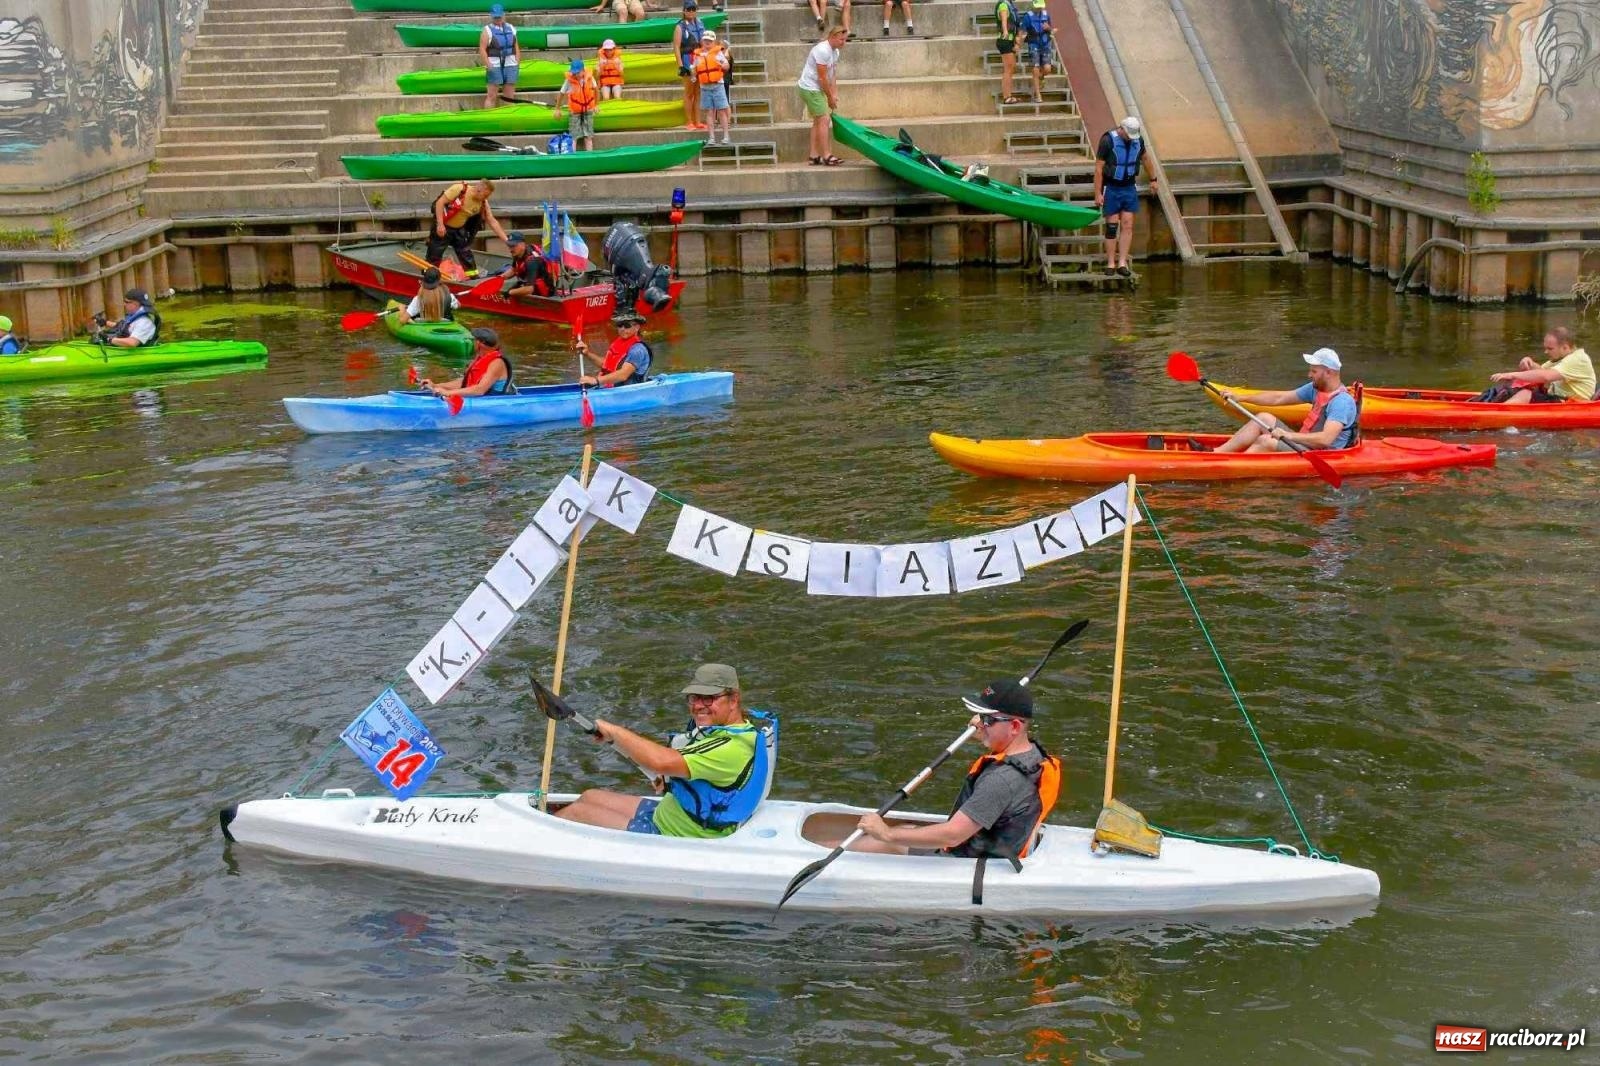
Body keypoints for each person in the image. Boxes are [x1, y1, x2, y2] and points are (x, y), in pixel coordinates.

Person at [852, 678, 1061, 862]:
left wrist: (886, 833)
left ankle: (827, 856)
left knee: (891, 841)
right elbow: (1005, 739)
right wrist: (988, 732)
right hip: (988, 845)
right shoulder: (1031, 755)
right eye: (980, 716)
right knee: (904, 830)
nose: (979, 723)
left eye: (987, 719)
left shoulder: (1001, 780)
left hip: (964, 862)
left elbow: (953, 835)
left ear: (1015, 727)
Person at [554, 664, 774, 839]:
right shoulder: (735, 730)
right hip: (670, 815)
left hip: (680, 834)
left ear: (733, 699)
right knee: (589, 796)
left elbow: (660, 761)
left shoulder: (731, 748)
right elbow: (697, 773)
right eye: (694, 697)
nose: (698, 705)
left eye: (709, 698)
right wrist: (670, 781)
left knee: (576, 814)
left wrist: (614, 730)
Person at [1215, 347, 1358, 453]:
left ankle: (1231, 465)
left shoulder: (1341, 402)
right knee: (1264, 417)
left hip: (1322, 453)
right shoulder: (1315, 388)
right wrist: (1240, 397)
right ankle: (1216, 453)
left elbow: (1325, 439)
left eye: (1314, 371)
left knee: (1265, 441)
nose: (1309, 375)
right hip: (1305, 443)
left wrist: (1288, 435)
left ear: (1329, 373)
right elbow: (1279, 398)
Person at [1094, 116, 1157, 277]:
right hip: (1112, 187)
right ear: (1121, 129)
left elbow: (1146, 159)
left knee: (1128, 225)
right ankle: (1110, 262)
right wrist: (1098, 193)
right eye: (1128, 134)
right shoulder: (1108, 140)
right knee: (1112, 226)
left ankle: (1122, 262)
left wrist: (1153, 179)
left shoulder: (1138, 140)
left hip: (1129, 187)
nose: (1130, 138)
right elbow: (1099, 169)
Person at [1480, 327, 1595, 404]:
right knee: (1513, 388)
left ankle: (1494, 414)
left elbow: (1546, 377)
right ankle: (1491, 406)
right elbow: (1541, 371)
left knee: (1526, 393)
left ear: (1565, 347)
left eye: (1550, 349)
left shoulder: (1577, 359)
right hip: (1560, 399)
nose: (1546, 352)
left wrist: (1512, 375)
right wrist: (1529, 362)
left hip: (1573, 404)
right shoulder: (1562, 358)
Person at [425, 179, 509, 278]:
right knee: (434, 254)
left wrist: (507, 240)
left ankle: (473, 278)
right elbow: (440, 203)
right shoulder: (459, 189)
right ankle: (429, 276)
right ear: (479, 190)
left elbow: (492, 221)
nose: (486, 198)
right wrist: (440, 224)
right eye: (485, 195)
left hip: (459, 230)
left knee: (466, 254)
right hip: (443, 227)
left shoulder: (483, 203)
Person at [798, 23, 847, 166]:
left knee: (818, 121)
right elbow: (822, 77)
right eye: (841, 40)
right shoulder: (822, 50)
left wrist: (834, 92)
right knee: (824, 119)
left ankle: (814, 156)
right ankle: (826, 155)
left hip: (816, 88)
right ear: (832, 37)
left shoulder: (835, 52)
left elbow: (832, 74)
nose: (844, 42)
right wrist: (830, 97)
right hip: (810, 88)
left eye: (845, 39)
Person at [421, 327, 514, 399]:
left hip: (495, 401)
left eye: (473, 340)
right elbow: (464, 382)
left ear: (479, 343)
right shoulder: (480, 358)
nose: (472, 342)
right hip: (479, 399)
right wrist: (436, 385)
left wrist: (447, 393)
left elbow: (479, 390)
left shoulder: (497, 363)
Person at [578, 309, 653, 386]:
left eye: (627, 325)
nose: (622, 329)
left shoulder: (637, 350)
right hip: (610, 388)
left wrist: (595, 380)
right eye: (620, 325)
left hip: (628, 392)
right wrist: (587, 354)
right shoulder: (619, 344)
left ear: (637, 327)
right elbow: (607, 365)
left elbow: (623, 375)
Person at [692, 30, 732, 145]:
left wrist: (724, 65)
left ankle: (726, 136)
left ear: (714, 42)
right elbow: (694, 68)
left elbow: (726, 65)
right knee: (709, 112)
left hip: (717, 86)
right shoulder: (698, 55)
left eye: (710, 40)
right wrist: (693, 74)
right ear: (702, 41)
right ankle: (712, 137)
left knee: (721, 111)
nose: (707, 42)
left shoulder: (718, 53)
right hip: (705, 87)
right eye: (705, 40)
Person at [673, 0, 707, 131]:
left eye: (693, 9)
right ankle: (689, 122)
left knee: (698, 92)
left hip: (699, 61)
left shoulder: (700, 23)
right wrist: (680, 65)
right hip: (687, 60)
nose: (691, 11)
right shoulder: (680, 26)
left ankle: (698, 121)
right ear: (684, 11)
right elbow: (676, 47)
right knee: (689, 92)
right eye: (688, 9)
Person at [492, 230, 557, 299]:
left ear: (522, 244)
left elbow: (529, 289)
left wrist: (509, 293)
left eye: (513, 246)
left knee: (509, 293)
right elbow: (514, 270)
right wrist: (499, 278)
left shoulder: (532, 261)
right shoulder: (518, 253)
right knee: (510, 291)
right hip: (528, 283)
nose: (510, 249)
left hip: (543, 291)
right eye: (509, 246)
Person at [479, 4, 520, 110]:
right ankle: (488, 118)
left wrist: (517, 61)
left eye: (499, 16)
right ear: (491, 17)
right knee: (492, 95)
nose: (498, 19)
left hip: (510, 63)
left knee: (509, 96)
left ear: (503, 15)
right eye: (495, 17)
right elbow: (482, 49)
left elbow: (516, 46)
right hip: (494, 64)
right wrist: (488, 65)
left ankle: (509, 118)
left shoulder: (511, 28)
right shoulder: (487, 30)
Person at [1016, 0, 1059, 103]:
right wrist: (1019, 44)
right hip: (1033, 45)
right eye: (1038, 7)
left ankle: (1041, 76)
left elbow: (1051, 30)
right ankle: (1037, 95)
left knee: (1047, 69)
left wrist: (1049, 28)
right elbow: (1022, 31)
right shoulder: (1028, 17)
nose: (1039, 9)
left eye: (1041, 7)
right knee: (1035, 70)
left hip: (1045, 45)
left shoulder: (1046, 14)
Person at [556, 58, 600, 152]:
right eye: (574, 73)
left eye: (577, 73)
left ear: (583, 71)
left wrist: (596, 105)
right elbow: (561, 93)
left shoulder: (590, 78)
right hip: (575, 111)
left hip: (588, 109)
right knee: (574, 136)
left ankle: (590, 155)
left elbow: (596, 90)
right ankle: (573, 155)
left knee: (588, 136)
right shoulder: (569, 81)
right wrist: (557, 109)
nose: (575, 75)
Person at [90, 289, 160, 348]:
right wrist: (105, 322)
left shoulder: (144, 322)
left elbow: (132, 343)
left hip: (137, 353)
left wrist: (109, 339)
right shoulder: (135, 316)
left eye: (127, 302)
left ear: (136, 304)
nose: (124, 304)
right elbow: (124, 327)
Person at [994, 0, 1022, 104]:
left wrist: (1017, 41)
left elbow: (1017, 24)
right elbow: (1004, 19)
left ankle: (1009, 95)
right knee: (1008, 68)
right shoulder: (1003, 5)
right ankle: (1006, 96)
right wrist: (1005, 30)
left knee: (1011, 67)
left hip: (1011, 41)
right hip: (1005, 40)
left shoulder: (1011, 6)